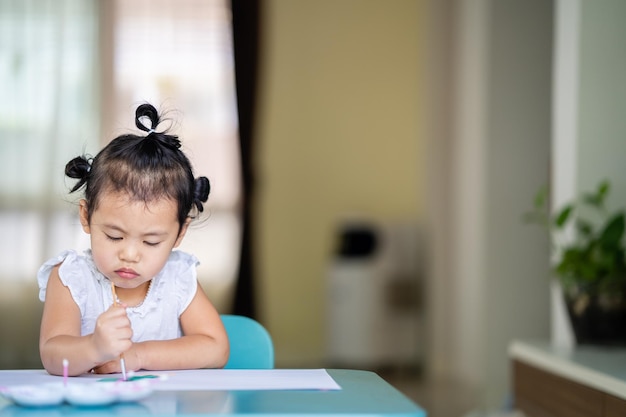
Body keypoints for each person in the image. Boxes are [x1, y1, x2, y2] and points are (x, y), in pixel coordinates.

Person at [37, 103, 229, 376]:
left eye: (151, 242)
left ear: (179, 233)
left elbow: (215, 348)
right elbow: (52, 354)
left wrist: (138, 355)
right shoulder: (72, 277)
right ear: (86, 215)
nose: (129, 254)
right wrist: (93, 347)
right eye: (114, 236)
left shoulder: (177, 276)